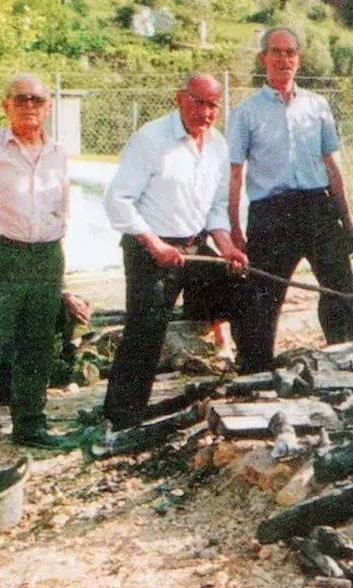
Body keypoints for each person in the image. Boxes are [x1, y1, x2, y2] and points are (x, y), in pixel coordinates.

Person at [102, 73, 269, 429]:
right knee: (146, 329)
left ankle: (254, 383)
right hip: (150, 248)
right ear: (181, 99)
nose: (206, 113)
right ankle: (122, 418)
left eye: (213, 105)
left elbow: (215, 207)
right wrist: (155, 244)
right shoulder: (151, 139)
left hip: (193, 247)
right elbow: (118, 200)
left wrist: (226, 247)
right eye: (199, 102)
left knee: (245, 291)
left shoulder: (218, 145)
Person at [0, 74, 89, 457]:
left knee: (37, 345)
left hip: (45, 255)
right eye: (21, 99)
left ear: (47, 107)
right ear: (5, 105)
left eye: (37, 100)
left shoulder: (58, 154)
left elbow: (60, 208)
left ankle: (30, 424)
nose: (29, 106)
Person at [227, 26, 353, 362]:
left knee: (340, 290)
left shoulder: (317, 107)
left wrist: (348, 223)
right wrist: (234, 229)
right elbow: (234, 174)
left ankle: (345, 361)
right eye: (277, 52)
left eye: (291, 53)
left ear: (299, 59)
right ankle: (255, 372)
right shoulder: (245, 113)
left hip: (318, 207)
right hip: (272, 214)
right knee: (261, 296)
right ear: (264, 58)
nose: (284, 59)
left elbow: (332, 166)